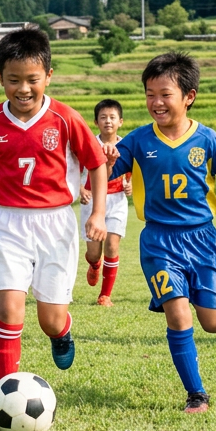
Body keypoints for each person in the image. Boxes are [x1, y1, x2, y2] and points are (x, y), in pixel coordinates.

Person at [0, 27, 108, 383]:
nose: (23, 88)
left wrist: (98, 212)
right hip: (9, 223)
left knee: (50, 319)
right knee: (10, 310)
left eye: (32, 79)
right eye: (13, 80)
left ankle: (62, 332)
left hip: (56, 223)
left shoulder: (66, 118)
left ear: (48, 76)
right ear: (0, 78)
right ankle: (3, 393)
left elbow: (97, 162)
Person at [106, 52, 216, 414]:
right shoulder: (137, 141)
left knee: (214, 324)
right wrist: (99, 159)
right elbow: (103, 168)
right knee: (178, 315)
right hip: (159, 241)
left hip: (202, 240)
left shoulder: (207, 140)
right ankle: (197, 394)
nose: (156, 103)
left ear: (188, 96)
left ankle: (196, 293)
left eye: (165, 94)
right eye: (149, 94)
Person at [80, 98, 131, 307]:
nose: (108, 121)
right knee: (94, 252)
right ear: (95, 122)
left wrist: (131, 185)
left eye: (112, 117)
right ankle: (94, 265)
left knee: (112, 245)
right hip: (91, 201)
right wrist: (80, 189)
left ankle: (105, 295)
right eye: (103, 117)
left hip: (117, 200)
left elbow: (135, 170)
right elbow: (73, 171)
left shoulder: (127, 145)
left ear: (121, 121)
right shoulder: (86, 144)